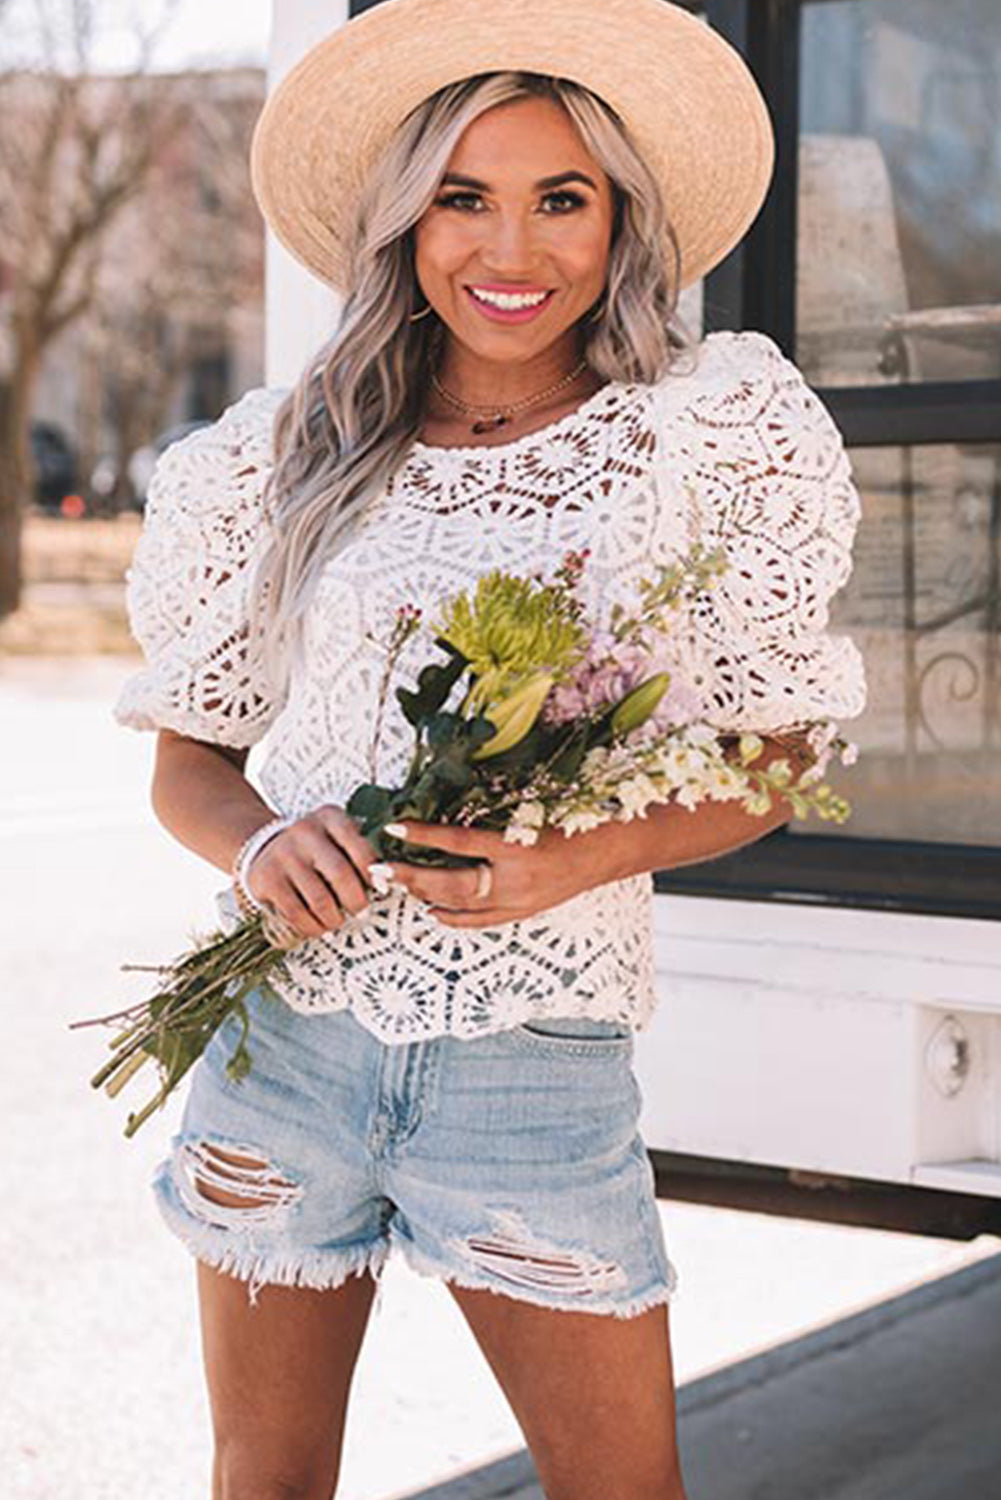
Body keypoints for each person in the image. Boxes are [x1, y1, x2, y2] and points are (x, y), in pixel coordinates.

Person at [113, 1, 866, 1496]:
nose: (507, 251)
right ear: (404, 221)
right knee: (262, 1480)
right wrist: (265, 842)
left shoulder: (703, 437)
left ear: (619, 224)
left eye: (558, 199)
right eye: (462, 197)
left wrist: (583, 857)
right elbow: (187, 765)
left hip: (534, 1062)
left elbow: (780, 755)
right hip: (280, 1042)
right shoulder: (285, 452)